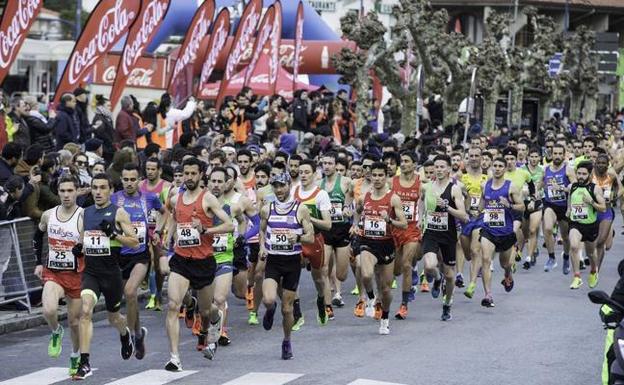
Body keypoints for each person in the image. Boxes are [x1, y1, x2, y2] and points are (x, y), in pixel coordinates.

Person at [162, 157, 233, 371]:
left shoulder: (208, 199)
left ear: (201, 175)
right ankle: (174, 357)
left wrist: (205, 230)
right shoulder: (176, 197)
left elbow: (229, 225)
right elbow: (174, 216)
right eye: (186, 173)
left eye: (193, 174)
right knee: (173, 305)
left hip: (204, 261)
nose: (189, 177)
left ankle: (215, 316)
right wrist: (169, 235)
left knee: (206, 310)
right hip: (182, 259)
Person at [73, 174, 140, 380]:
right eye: (95, 188)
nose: (98, 192)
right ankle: (84, 363)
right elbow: (83, 240)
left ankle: (125, 334)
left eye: (103, 188)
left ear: (110, 190)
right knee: (85, 311)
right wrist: (79, 248)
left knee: (114, 318)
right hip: (91, 273)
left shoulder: (118, 213)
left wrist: (114, 235)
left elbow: (135, 242)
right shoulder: (85, 213)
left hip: (111, 274)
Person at [111, 163, 166, 360]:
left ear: (139, 180)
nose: (129, 183)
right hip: (120, 255)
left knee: (130, 291)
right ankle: (139, 333)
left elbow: (164, 212)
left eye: (133, 179)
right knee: (130, 300)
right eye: (125, 179)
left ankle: (131, 336)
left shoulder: (148, 198)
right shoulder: (114, 199)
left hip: (140, 255)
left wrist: (158, 231)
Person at [258, 171, 314, 359]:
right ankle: (269, 310)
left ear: (289, 186)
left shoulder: (301, 209)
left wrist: (297, 236)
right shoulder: (267, 208)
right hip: (274, 260)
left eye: (282, 185)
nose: (279, 189)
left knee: (287, 309)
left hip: (292, 262)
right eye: (275, 186)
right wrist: (262, 247)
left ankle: (287, 341)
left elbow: (311, 237)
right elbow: (262, 230)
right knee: (268, 299)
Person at [33, 175, 84, 376]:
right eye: (62, 191)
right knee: (49, 309)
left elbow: (91, 244)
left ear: (77, 191)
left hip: (77, 275)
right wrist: (38, 262)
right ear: (58, 192)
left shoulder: (83, 216)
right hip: (53, 272)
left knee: (74, 322)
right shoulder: (48, 215)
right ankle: (55, 331)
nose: (66, 195)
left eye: (70, 191)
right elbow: (38, 235)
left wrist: (81, 250)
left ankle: (75, 355)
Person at [351, 162, 407, 334]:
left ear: (386, 176)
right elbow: (359, 213)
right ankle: (369, 298)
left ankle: (385, 317)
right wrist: (355, 223)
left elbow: (404, 224)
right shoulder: (365, 196)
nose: (376, 178)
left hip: (386, 244)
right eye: (374, 175)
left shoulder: (393, 198)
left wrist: (389, 220)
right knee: (365, 272)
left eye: (380, 175)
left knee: (386, 288)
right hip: (367, 240)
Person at [419, 155, 467, 320]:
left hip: (448, 235)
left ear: (448, 169)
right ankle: (437, 280)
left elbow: (464, 216)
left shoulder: (454, 189)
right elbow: (421, 202)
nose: (438, 170)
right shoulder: (426, 187)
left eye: (441, 167)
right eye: (436, 167)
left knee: (450, 274)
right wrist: (420, 218)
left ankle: (447, 304)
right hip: (430, 232)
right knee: (430, 265)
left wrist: (448, 208)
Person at [479, 157, 524, 308]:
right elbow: (481, 205)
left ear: (505, 169)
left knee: (506, 264)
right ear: (491, 167)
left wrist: (509, 205)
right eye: (495, 166)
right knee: (486, 259)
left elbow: (522, 207)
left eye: (500, 166)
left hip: (505, 232)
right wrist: (474, 212)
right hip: (488, 230)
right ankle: (488, 295)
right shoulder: (485, 185)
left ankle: (507, 275)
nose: (497, 168)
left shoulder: (511, 187)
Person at [391, 151, 423, 320]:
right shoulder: (393, 182)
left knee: (406, 264)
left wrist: (423, 219)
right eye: (401, 161)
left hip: (412, 229)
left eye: (406, 161)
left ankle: (404, 305)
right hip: (395, 229)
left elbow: (427, 201)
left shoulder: (420, 183)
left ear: (414, 164)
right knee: (395, 270)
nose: (402, 164)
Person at [320, 152, 354, 309]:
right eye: (324, 163)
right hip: (325, 230)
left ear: (335, 165)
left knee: (341, 274)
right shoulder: (318, 184)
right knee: (324, 267)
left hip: (342, 230)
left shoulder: (346, 182)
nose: (326, 166)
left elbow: (355, 197)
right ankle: (327, 305)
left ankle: (337, 289)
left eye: (330, 163)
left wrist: (348, 207)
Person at [567, 161, 606, 289]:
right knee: (573, 246)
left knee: (590, 253)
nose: (581, 176)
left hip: (590, 225)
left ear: (590, 174)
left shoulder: (595, 189)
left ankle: (594, 271)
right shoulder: (573, 186)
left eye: (584, 174)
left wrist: (591, 202)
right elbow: (570, 197)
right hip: (575, 223)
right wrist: (568, 209)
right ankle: (577, 277)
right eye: (579, 173)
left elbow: (603, 208)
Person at [139, 158, 172, 312]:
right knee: (150, 259)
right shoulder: (140, 185)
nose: (150, 172)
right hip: (143, 228)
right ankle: (152, 293)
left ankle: (158, 292)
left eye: (153, 169)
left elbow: (169, 210)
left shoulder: (166, 186)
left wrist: (163, 229)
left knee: (158, 266)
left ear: (159, 170)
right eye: (148, 168)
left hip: (160, 229)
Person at [542, 143, 576, 273]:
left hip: (565, 206)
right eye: (555, 153)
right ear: (552, 154)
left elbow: (575, 187)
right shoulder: (546, 169)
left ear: (563, 155)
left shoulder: (568, 170)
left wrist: (562, 188)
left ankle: (566, 258)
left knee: (565, 237)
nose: (557, 156)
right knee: (548, 228)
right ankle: (551, 258)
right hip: (550, 204)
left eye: (559, 154)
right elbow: (540, 184)